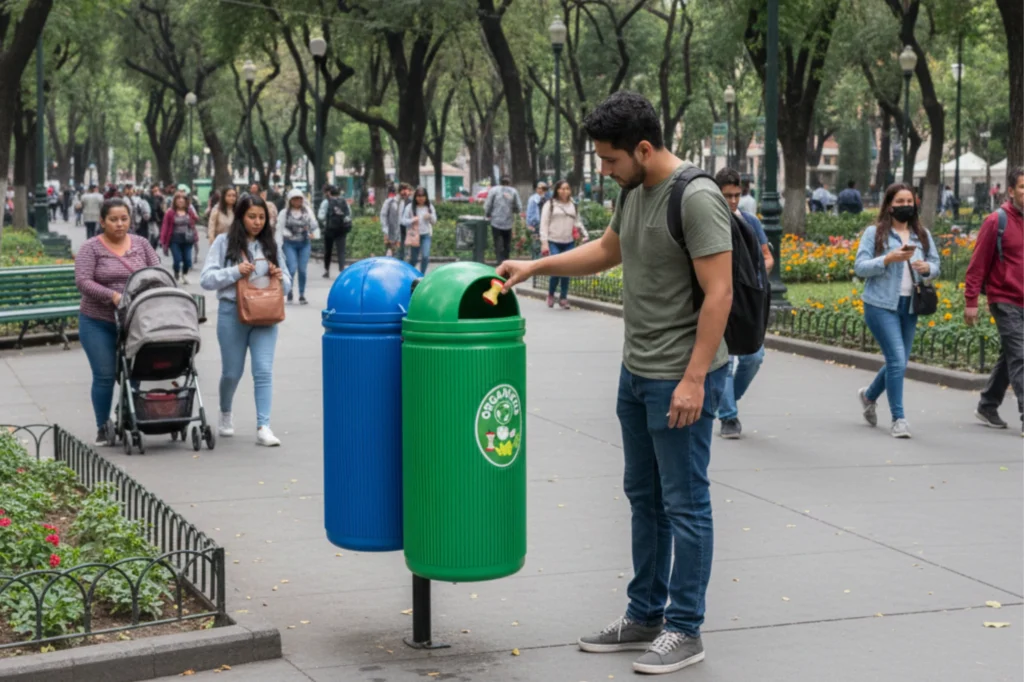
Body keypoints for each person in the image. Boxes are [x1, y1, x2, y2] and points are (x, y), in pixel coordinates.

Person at [496, 91, 733, 675]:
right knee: (643, 497)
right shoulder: (635, 190)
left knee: (685, 503)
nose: (603, 170)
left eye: (609, 160)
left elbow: (720, 293)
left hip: (679, 375)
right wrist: (535, 266)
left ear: (644, 148)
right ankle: (645, 613)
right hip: (636, 372)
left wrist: (694, 379)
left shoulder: (697, 198)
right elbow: (608, 250)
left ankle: (685, 628)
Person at [201, 193, 290, 447]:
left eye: (262, 217)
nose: (257, 222)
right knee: (232, 372)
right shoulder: (223, 243)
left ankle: (264, 426)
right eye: (252, 216)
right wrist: (235, 271)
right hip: (232, 313)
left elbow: (288, 286)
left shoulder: (271, 246)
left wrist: (279, 277)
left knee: (263, 371)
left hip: (266, 315)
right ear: (240, 216)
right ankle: (225, 412)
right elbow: (207, 279)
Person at [854, 183, 940, 439]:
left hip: (910, 304)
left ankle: (869, 396)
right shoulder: (875, 233)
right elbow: (860, 267)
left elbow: (936, 264)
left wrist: (928, 268)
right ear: (889, 206)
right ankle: (899, 419)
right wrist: (887, 259)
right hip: (880, 305)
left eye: (909, 202)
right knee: (896, 361)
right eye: (900, 202)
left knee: (899, 361)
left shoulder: (921, 234)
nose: (905, 206)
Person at [74, 198, 161, 445]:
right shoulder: (90, 248)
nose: (119, 224)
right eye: (113, 219)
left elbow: (157, 272)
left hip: (135, 321)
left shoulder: (142, 244)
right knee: (104, 374)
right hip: (98, 320)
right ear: (102, 221)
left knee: (134, 373)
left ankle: (125, 416)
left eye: (124, 219)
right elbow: (83, 281)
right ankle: (103, 426)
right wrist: (112, 296)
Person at [714, 168, 773, 439]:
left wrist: (758, 279)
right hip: (719, 300)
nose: (734, 201)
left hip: (748, 301)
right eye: (727, 196)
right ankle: (728, 417)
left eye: (737, 195)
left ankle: (724, 402)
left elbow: (767, 257)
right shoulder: (712, 223)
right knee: (724, 361)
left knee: (754, 356)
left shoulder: (750, 222)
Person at [965, 167, 1023, 433]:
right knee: (1021, 356)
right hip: (1004, 298)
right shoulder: (996, 221)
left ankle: (988, 404)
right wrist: (971, 301)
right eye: (1023, 187)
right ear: (1011, 191)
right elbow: (977, 265)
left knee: (1011, 355)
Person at [539, 180, 588, 308]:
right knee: (556, 269)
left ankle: (563, 298)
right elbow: (544, 224)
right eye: (561, 188)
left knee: (567, 270)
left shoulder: (573, 205)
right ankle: (551, 294)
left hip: (568, 241)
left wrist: (584, 233)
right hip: (553, 241)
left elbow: (577, 221)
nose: (564, 191)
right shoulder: (550, 204)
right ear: (557, 190)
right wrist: (544, 242)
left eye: (567, 188)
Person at [276, 188, 319, 304]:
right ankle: (289, 290)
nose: (297, 201)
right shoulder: (284, 213)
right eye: (294, 199)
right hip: (290, 243)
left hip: (304, 243)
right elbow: (279, 228)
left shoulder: (307, 211)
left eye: (299, 199)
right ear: (290, 200)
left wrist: (311, 231)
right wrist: (279, 243)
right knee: (292, 268)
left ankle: (301, 294)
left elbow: (314, 224)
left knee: (303, 269)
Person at [159, 190, 200, 284]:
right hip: (175, 240)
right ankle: (176, 272)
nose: (181, 200)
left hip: (187, 239)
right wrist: (163, 241)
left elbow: (195, 220)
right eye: (178, 198)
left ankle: (184, 274)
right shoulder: (170, 212)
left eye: (183, 198)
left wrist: (193, 214)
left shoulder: (189, 211)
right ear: (175, 201)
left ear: (186, 201)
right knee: (177, 260)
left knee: (188, 260)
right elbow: (165, 227)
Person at [484, 175, 523, 265]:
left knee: (497, 243)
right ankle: (506, 262)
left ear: (500, 181)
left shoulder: (494, 190)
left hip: (496, 222)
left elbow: (488, 205)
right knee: (507, 244)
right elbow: (519, 207)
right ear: (509, 182)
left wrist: (487, 214)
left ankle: (499, 262)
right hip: (508, 223)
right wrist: (513, 210)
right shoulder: (513, 191)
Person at [318, 184, 353, 278]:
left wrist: (327, 222)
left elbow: (320, 216)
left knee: (328, 250)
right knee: (341, 250)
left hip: (329, 229)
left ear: (330, 193)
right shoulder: (345, 202)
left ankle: (327, 270)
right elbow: (348, 215)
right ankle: (341, 269)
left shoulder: (326, 202)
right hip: (341, 230)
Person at [401, 186, 437, 273]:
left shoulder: (429, 207)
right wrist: (412, 220)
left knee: (425, 256)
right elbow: (403, 221)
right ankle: (409, 273)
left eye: (423, 196)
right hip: (414, 236)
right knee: (414, 259)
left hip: (426, 235)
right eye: (418, 196)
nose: (421, 198)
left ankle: (421, 274)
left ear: (426, 197)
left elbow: (435, 221)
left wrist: (430, 216)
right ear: (415, 197)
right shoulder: (410, 207)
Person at [379, 183, 411, 258]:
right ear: (399, 191)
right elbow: (383, 216)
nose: (406, 193)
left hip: (400, 233)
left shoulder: (405, 203)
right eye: (404, 191)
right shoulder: (389, 202)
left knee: (400, 254)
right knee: (389, 254)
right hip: (389, 232)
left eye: (407, 191)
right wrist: (385, 230)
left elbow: (403, 219)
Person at [526, 181, 549, 257]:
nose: (540, 190)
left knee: (545, 245)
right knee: (535, 245)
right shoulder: (532, 199)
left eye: (543, 188)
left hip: (546, 225)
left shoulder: (548, 199)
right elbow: (529, 212)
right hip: (536, 225)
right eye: (539, 188)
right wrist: (529, 224)